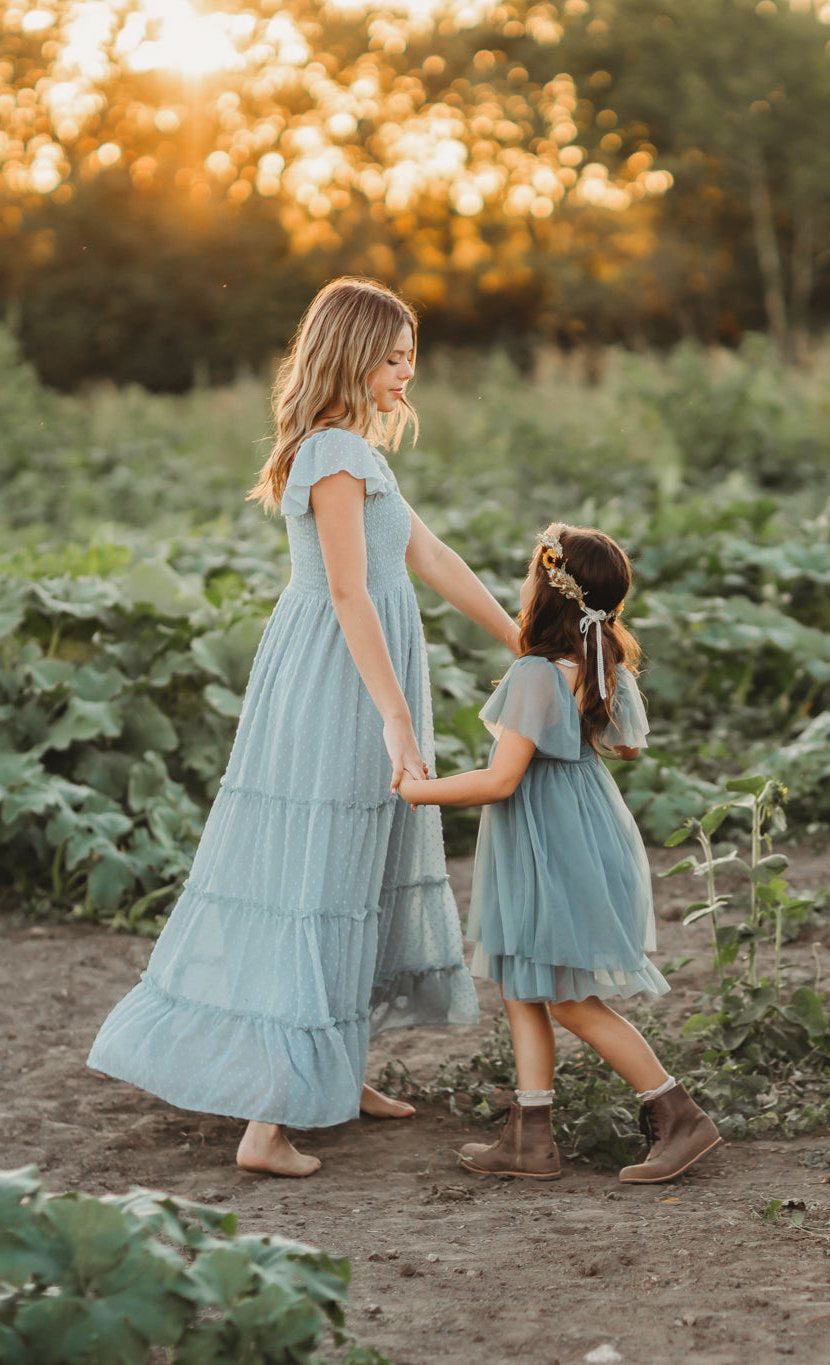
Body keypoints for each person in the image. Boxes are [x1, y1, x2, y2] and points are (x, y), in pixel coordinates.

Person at [88, 277, 520, 1177]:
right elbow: (347, 589)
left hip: (363, 670)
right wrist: (395, 716)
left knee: (358, 869)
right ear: (355, 358)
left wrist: (521, 637)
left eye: (411, 359)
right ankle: (270, 1120)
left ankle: (332, 1069)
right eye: (395, 359)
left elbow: (429, 555)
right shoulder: (330, 454)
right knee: (319, 872)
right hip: (341, 682)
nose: (409, 375)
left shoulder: (359, 452)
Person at [399, 522, 721, 1183]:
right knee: (525, 984)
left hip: (549, 842)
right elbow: (627, 745)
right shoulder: (602, 665)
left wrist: (418, 790)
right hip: (576, 831)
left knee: (569, 999)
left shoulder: (536, 674)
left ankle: (678, 1112)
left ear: (548, 590)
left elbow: (500, 779)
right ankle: (530, 1133)